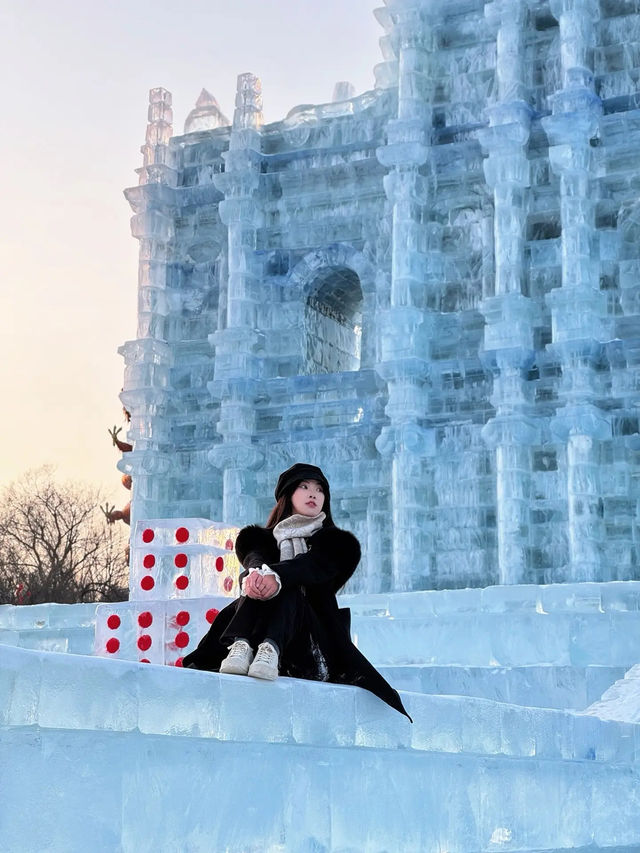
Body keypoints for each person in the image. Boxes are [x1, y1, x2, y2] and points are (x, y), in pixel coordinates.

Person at [183, 462, 411, 720]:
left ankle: (270, 649)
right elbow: (254, 558)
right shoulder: (258, 539)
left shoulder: (337, 545)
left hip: (311, 640)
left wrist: (276, 576)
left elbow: (313, 566)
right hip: (259, 621)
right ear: (288, 494)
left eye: (319, 489)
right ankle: (242, 646)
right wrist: (256, 575)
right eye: (304, 487)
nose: (313, 494)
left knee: (288, 586)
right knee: (258, 578)